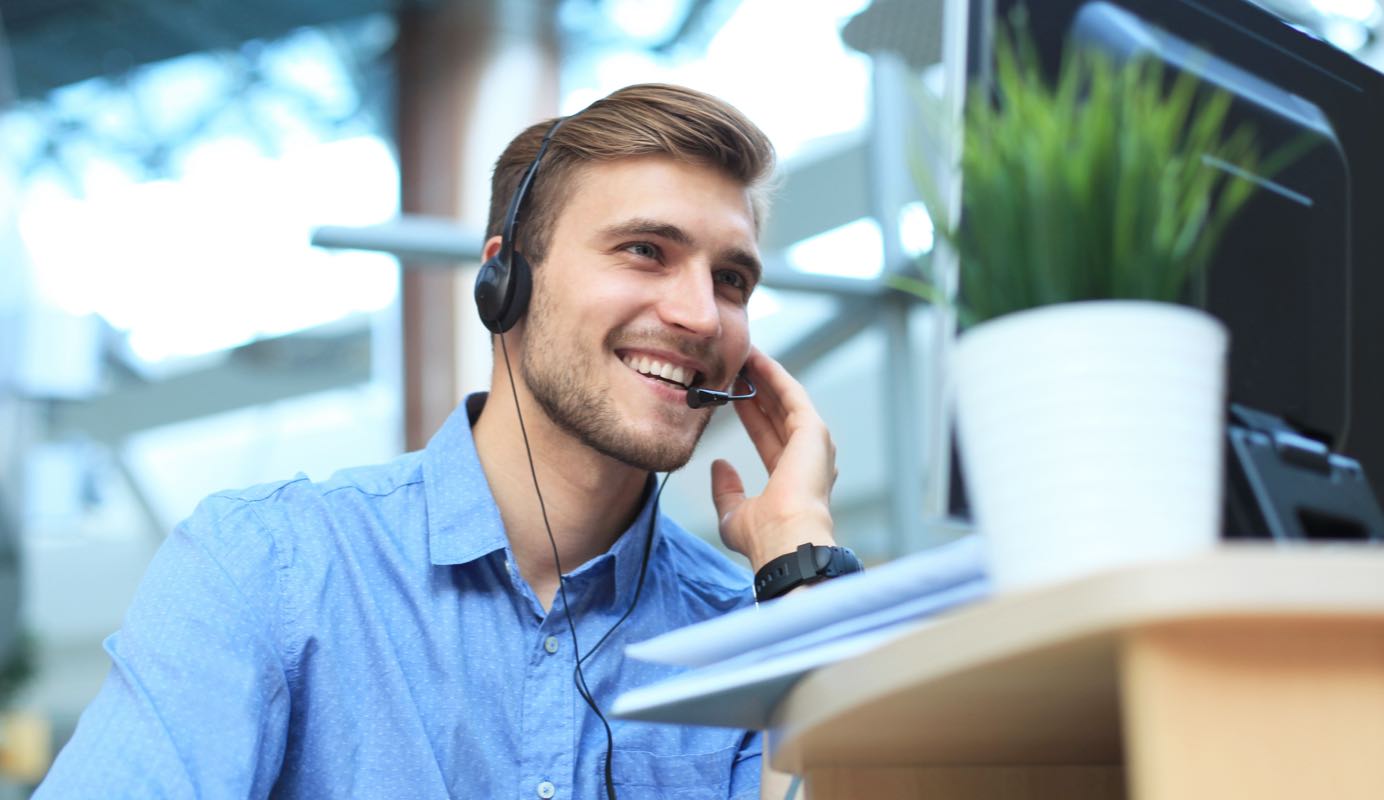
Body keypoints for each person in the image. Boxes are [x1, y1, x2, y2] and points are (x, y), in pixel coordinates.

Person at [36, 83, 851, 799]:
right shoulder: (268, 568)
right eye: (646, 251)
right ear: (506, 282)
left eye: (731, 280)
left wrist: (802, 563)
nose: (702, 315)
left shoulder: (749, 631)